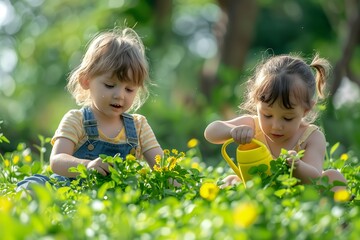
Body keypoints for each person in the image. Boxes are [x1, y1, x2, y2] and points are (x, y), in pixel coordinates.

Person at [17, 27, 163, 191]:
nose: (120, 95)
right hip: (69, 190)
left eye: (129, 89)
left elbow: (162, 167)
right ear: (86, 81)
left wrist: (184, 188)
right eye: (109, 85)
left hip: (114, 197)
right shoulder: (76, 119)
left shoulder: (139, 126)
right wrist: (86, 166)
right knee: (33, 186)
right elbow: (57, 160)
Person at [204, 53, 347, 191]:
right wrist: (231, 131)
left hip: (298, 196)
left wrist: (297, 165)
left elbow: (314, 177)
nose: (276, 126)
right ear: (256, 102)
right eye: (267, 115)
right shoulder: (253, 125)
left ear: (306, 109)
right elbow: (210, 132)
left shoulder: (311, 137)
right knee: (230, 181)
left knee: (334, 178)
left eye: (287, 118)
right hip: (258, 191)